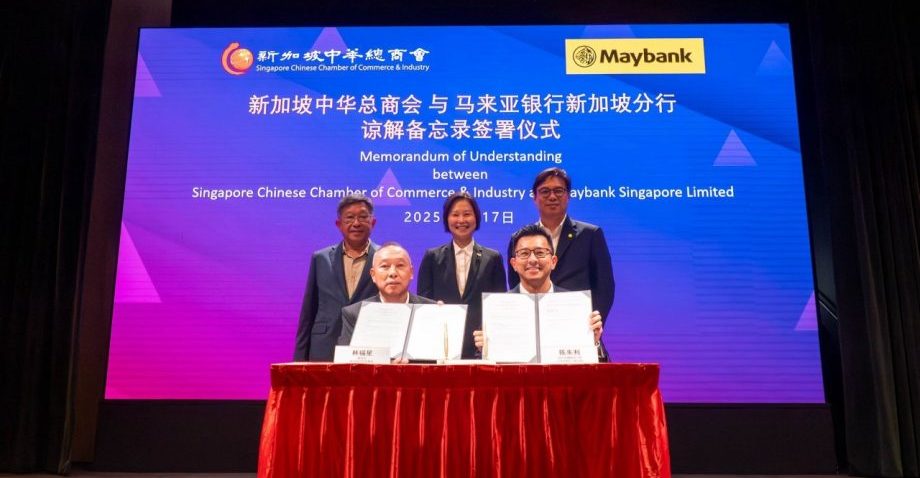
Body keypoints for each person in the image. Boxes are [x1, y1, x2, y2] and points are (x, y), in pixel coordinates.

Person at [479, 224, 606, 360]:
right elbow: (483, 368)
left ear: (553, 261)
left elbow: (595, 366)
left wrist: (594, 343)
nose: (532, 260)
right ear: (514, 264)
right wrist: (484, 352)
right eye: (524, 253)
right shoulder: (495, 308)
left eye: (540, 253)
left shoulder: (577, 306)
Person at [508, 167, 615, 322]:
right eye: (545, 191)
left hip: (576, 322)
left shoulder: (590, 235)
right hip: (531, 323)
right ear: (534, 197)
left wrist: (592, 326)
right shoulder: (519, 239)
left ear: (568, 196)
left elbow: (604, 287)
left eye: (558, 191)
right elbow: (516, 285)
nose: (552, 197)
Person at [417, 192, 507, 358]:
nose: (461, 220)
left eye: (467, 214)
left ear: (476, 218)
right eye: (455, 214)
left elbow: (499, 304)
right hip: (441, 347)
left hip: (481, 347)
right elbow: (423, 303)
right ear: (447, 219)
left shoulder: (493, 258)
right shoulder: (432, 257)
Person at [294, 194, 380, 361]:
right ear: (339, 224)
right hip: (324, 346)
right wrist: (299, 360)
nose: (356, 223)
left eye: (363, 217)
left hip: (369, 347)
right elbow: (308, 312)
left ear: (373, 222)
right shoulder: (321, 258)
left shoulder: (384, 258)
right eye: (350, 218)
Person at [338, 243, 435, 347]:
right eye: (385, 266)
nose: (393, 273)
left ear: (411, 272)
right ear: (373, 275)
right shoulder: (355, 314)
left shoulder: (431, 311)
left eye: (400, 265)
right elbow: (346, 356)